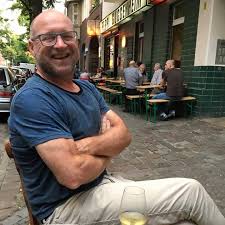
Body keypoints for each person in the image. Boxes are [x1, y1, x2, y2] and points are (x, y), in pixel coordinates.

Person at [8, 10, 225, 225]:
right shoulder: (33, 98)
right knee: (191, 194)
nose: (60, 44)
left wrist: (83, 147)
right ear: (31, 47)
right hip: (65, 209)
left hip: (101, 185)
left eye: (67, 35)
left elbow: (124, 135)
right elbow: (73, 175)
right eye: (48, 37)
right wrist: (108, 148)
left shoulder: (87, 88)